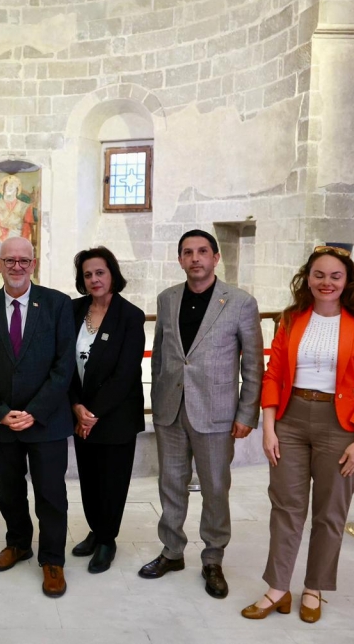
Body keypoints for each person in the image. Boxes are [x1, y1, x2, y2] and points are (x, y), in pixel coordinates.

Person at [241, 246, 354, 623]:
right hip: (289, 421)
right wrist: (268, 427)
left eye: (335, 276)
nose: (327, 282)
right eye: (319, 275)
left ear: (348, 281)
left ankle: (314, 587)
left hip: (341, 426)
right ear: (307, 279)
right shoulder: (291, 319)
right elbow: (273, 375)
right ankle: (278, 588)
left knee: (330, 512)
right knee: (285, 508)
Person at [140, 229, 263, 599]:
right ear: (180, 259)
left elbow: (253, 365)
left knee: (215, 488)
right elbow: (161, 355)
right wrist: (157, 398)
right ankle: (172, 551)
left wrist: (247, 413)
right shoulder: (167, 299)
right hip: (171, 409)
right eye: (188, 252)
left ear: (215, 257)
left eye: (202, 251)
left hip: (216, 412)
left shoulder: (240, 302)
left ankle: (212, 558)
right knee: (170, 483)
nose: (195, 258)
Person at [0, 236, 76, 598]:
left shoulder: (58, 305)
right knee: (9, 491)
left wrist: (35, 411)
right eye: (9, 260)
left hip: (46, 421)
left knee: (51, 493)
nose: (17, 266)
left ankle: (52, 559)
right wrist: (0, 412)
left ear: (34, 264)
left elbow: (64, 365)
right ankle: (18, 543)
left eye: (24, 261)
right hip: (2, 422)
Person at [67, 247, 146, 574]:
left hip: (115, 415)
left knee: (112, 481)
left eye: (100, 272)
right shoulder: (73, 310)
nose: (94, 279)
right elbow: (63, 363)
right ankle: (95, 530)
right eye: (88, 274)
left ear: (112, 274)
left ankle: (107, 540)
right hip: (80, 412)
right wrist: (76, 406)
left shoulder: (130, 316)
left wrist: (93, 413)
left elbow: (125, 373)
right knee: (89, 479)